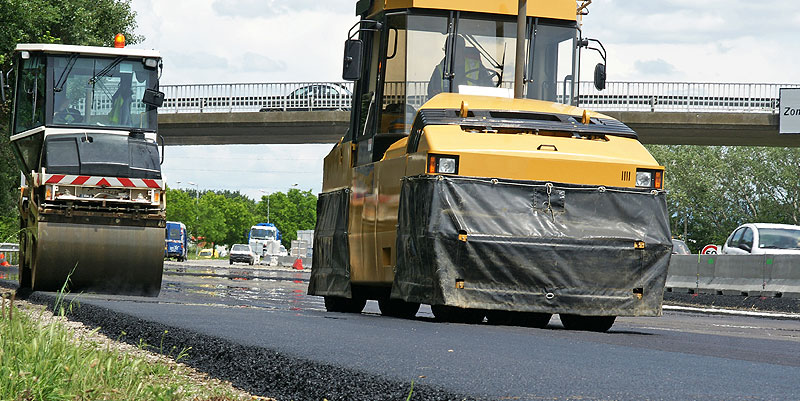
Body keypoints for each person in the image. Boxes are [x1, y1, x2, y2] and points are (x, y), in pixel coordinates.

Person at [428, 35, 495, 98]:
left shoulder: (477, 67)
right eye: (449, 49)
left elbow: (489, 89)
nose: (453, 52)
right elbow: (432, 95)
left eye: (456, 49)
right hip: (448, 108)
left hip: (474, 108)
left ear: (463, 50)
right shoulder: (440, 70)